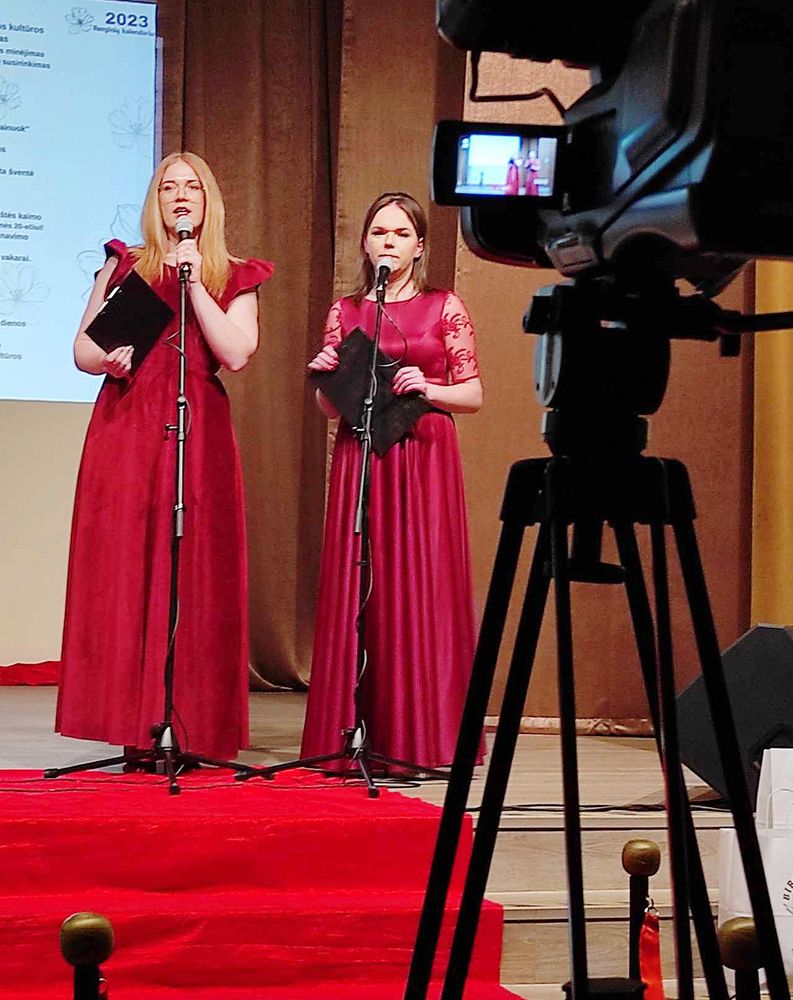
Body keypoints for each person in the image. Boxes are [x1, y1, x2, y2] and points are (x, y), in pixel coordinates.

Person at [56, 152, 274, 759]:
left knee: (193, 569)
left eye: (192, 187)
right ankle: (134, 724)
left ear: (208, 201)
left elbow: (236, 353)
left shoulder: (233, 273)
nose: (180, 196)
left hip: (197, 429)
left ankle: (189, 723)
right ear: (156, 202)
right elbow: (83, 349)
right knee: (128, 566)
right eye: (168, 187)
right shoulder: (126, 265)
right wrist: (109, 359)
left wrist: (195, 283)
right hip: (126, 423)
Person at [301, 191, 483, 772]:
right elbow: (331, 409)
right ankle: (358, 730)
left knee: (418, 585)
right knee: (361, 584)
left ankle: (420, 737)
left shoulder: (444, 305)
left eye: (401, 234)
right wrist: (324, 378)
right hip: (361, 456)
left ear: (419, 246)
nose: (389, 242)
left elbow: (473, 394)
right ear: (365, 243)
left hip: (424, 457)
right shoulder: (346, 310)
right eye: (380, 232)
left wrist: (429, 387)